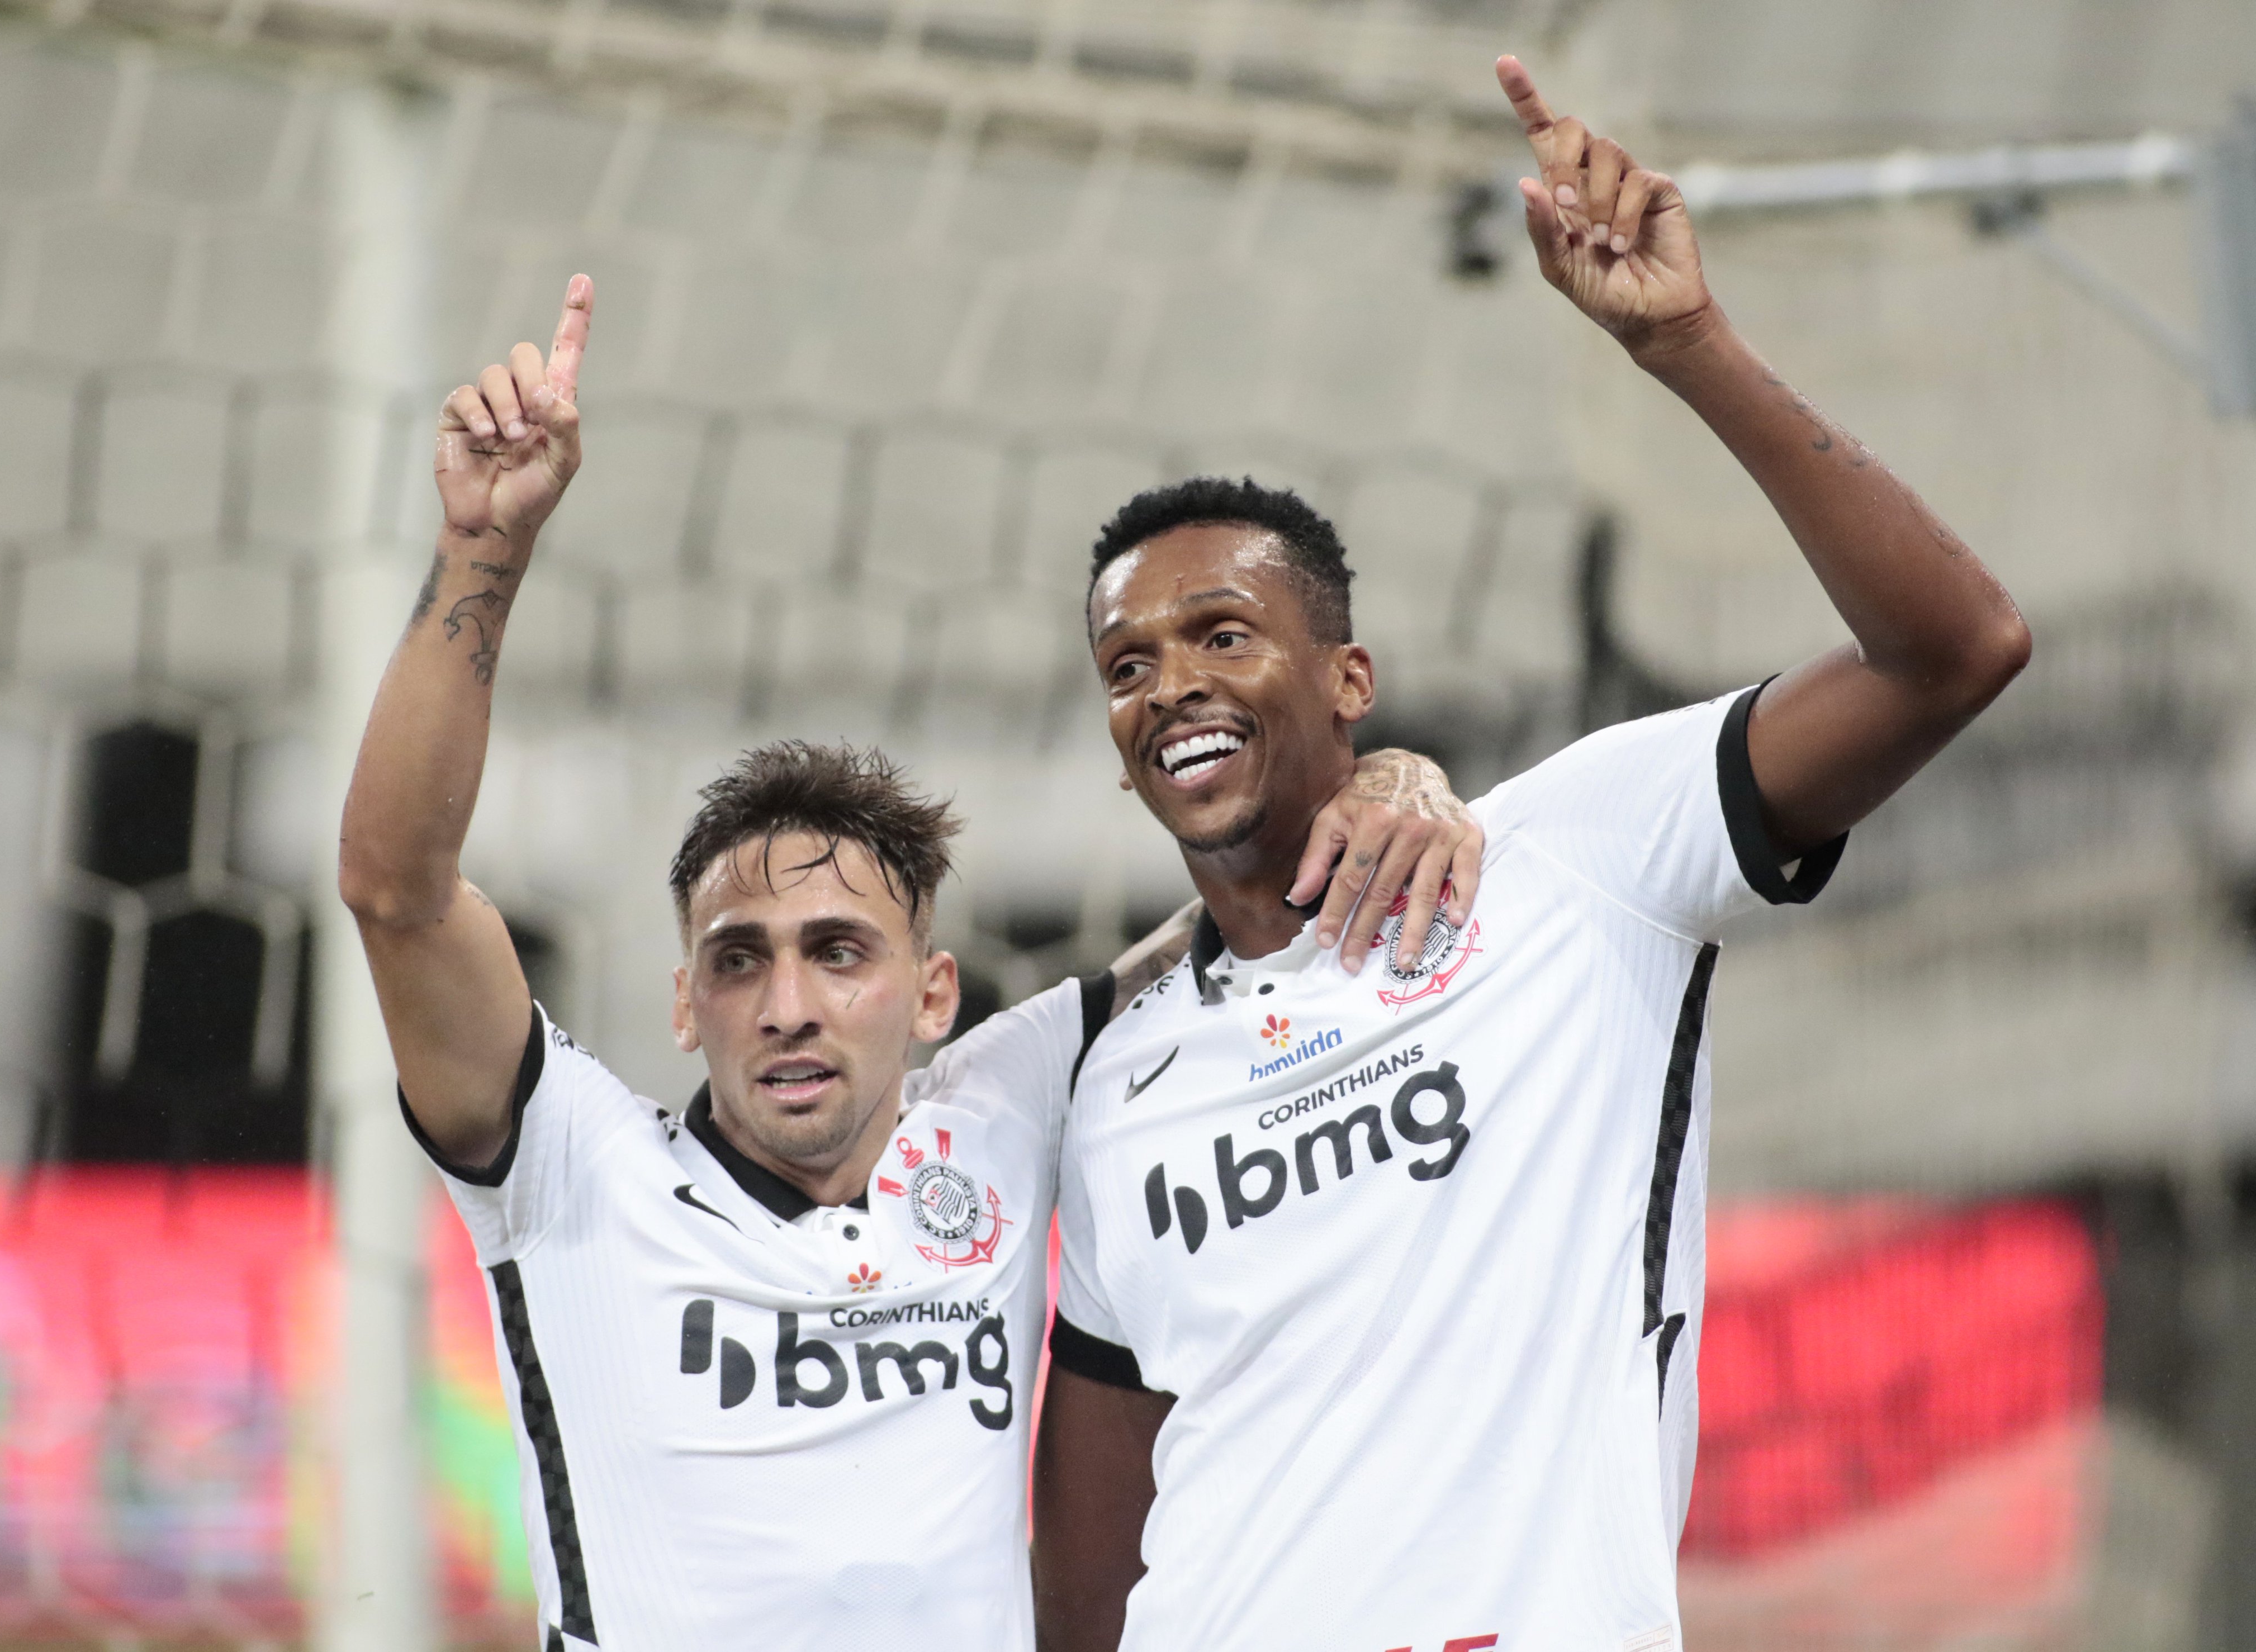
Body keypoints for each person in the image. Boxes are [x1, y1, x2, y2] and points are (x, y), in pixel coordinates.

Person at [1032, 55, 2034, 1652]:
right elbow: (1088, 1576)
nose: (1171, 688)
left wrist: (1689, 348)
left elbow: (1954, 649)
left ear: (1349, 681)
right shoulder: (1114, 1074)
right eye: (1128, 665)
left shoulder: (1575, 855)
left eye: (1223, 631)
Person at [334, 277, 1482, 1649]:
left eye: (839, 952)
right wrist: (482, 551)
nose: (791, 1004)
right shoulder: (571, 1170)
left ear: (934, 993)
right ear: (684, 1006)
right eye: (738, 962)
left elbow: (1243, 903)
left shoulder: (1004, 1109)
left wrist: (1397, 778)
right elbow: (397, 891)